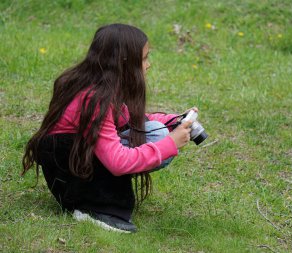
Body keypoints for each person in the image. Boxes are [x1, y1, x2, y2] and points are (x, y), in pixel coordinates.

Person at [22, 24, 197, 233]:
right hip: (71, 178)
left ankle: (96, 199)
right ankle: (92, 207)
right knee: (157, 135)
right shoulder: (94, 99)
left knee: (157, 129)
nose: (148, 65)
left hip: (74, 166)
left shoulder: (94, 85)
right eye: (143, 59)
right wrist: (170, 143)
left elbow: (128, 119)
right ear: (123, 63)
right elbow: (117, 163)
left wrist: (174, 121)